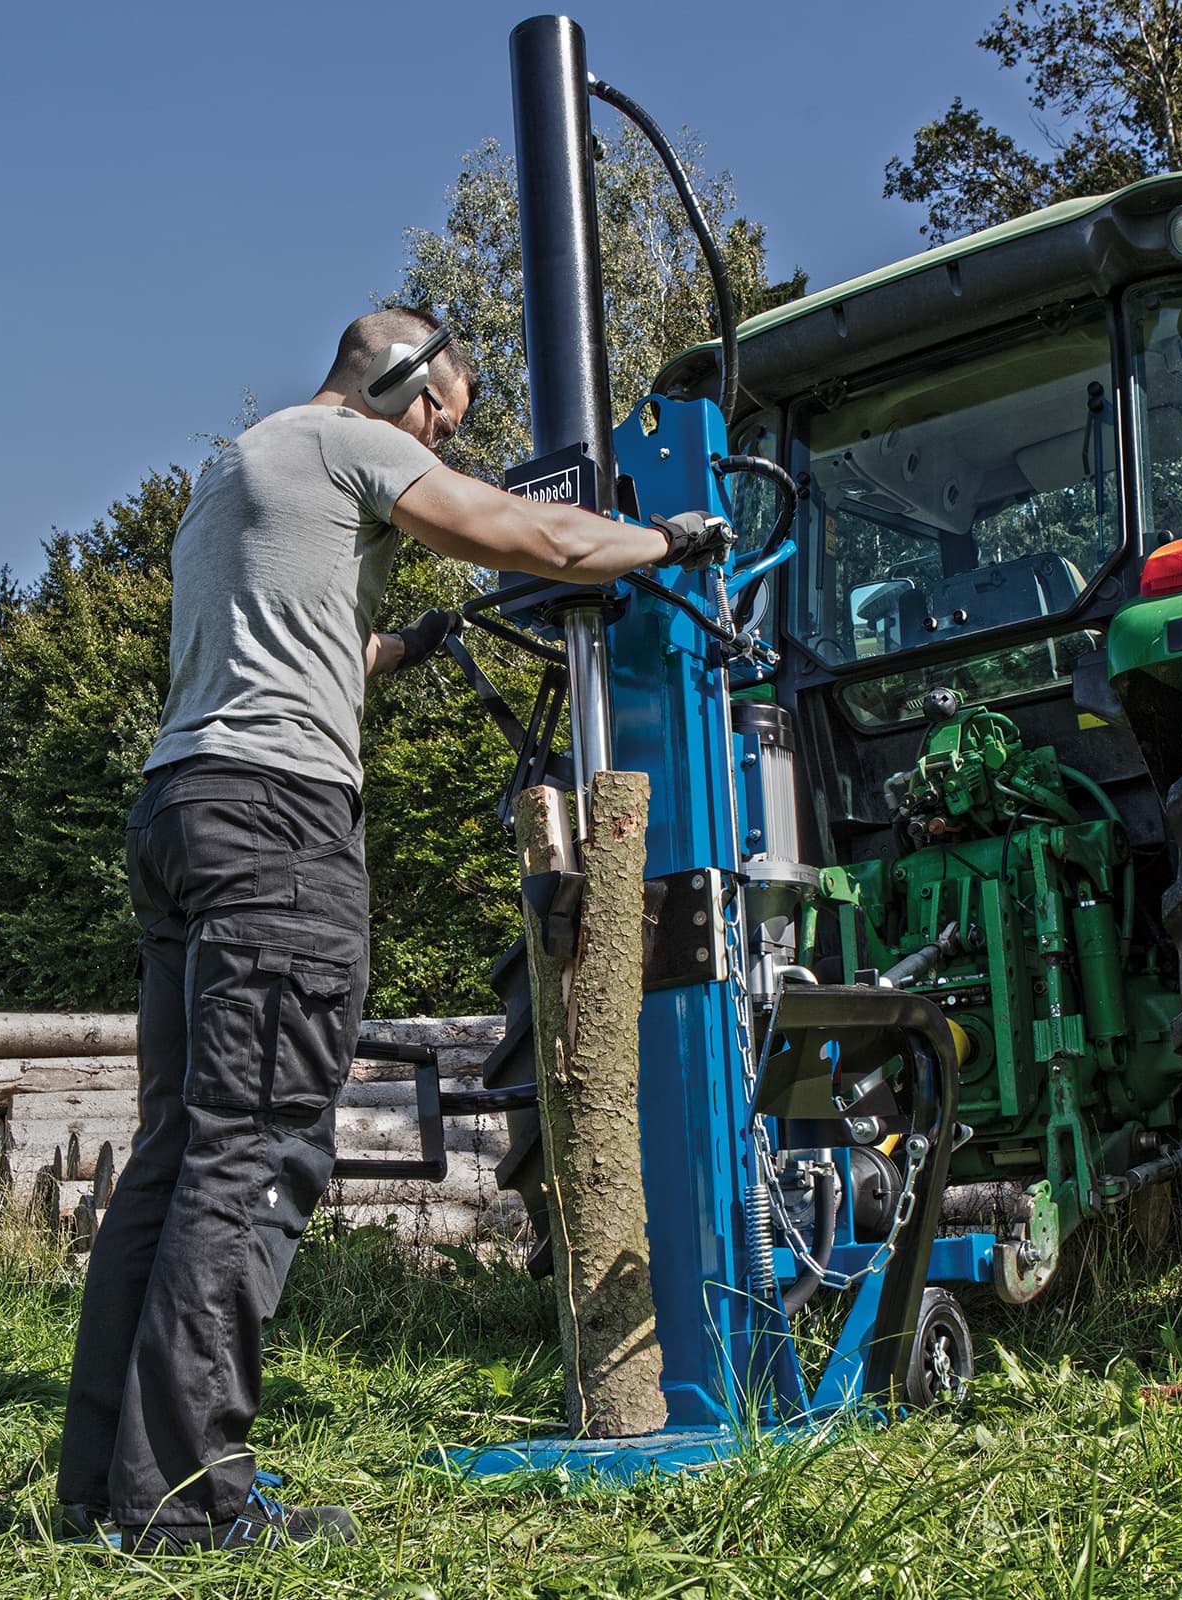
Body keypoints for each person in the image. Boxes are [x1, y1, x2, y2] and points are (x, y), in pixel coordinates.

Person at [54, 307, 732, 1554]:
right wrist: (657, 540)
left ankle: (105, 1485)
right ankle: (193, 1503)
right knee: (256, 1150)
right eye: (442, 418)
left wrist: (403, 646)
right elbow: (523, 531)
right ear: (397, 379)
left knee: (177, 1153)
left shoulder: (235, 471)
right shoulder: (347, 442)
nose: (440, 442)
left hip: (181, 809)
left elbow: (304, 637)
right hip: (278, 821)